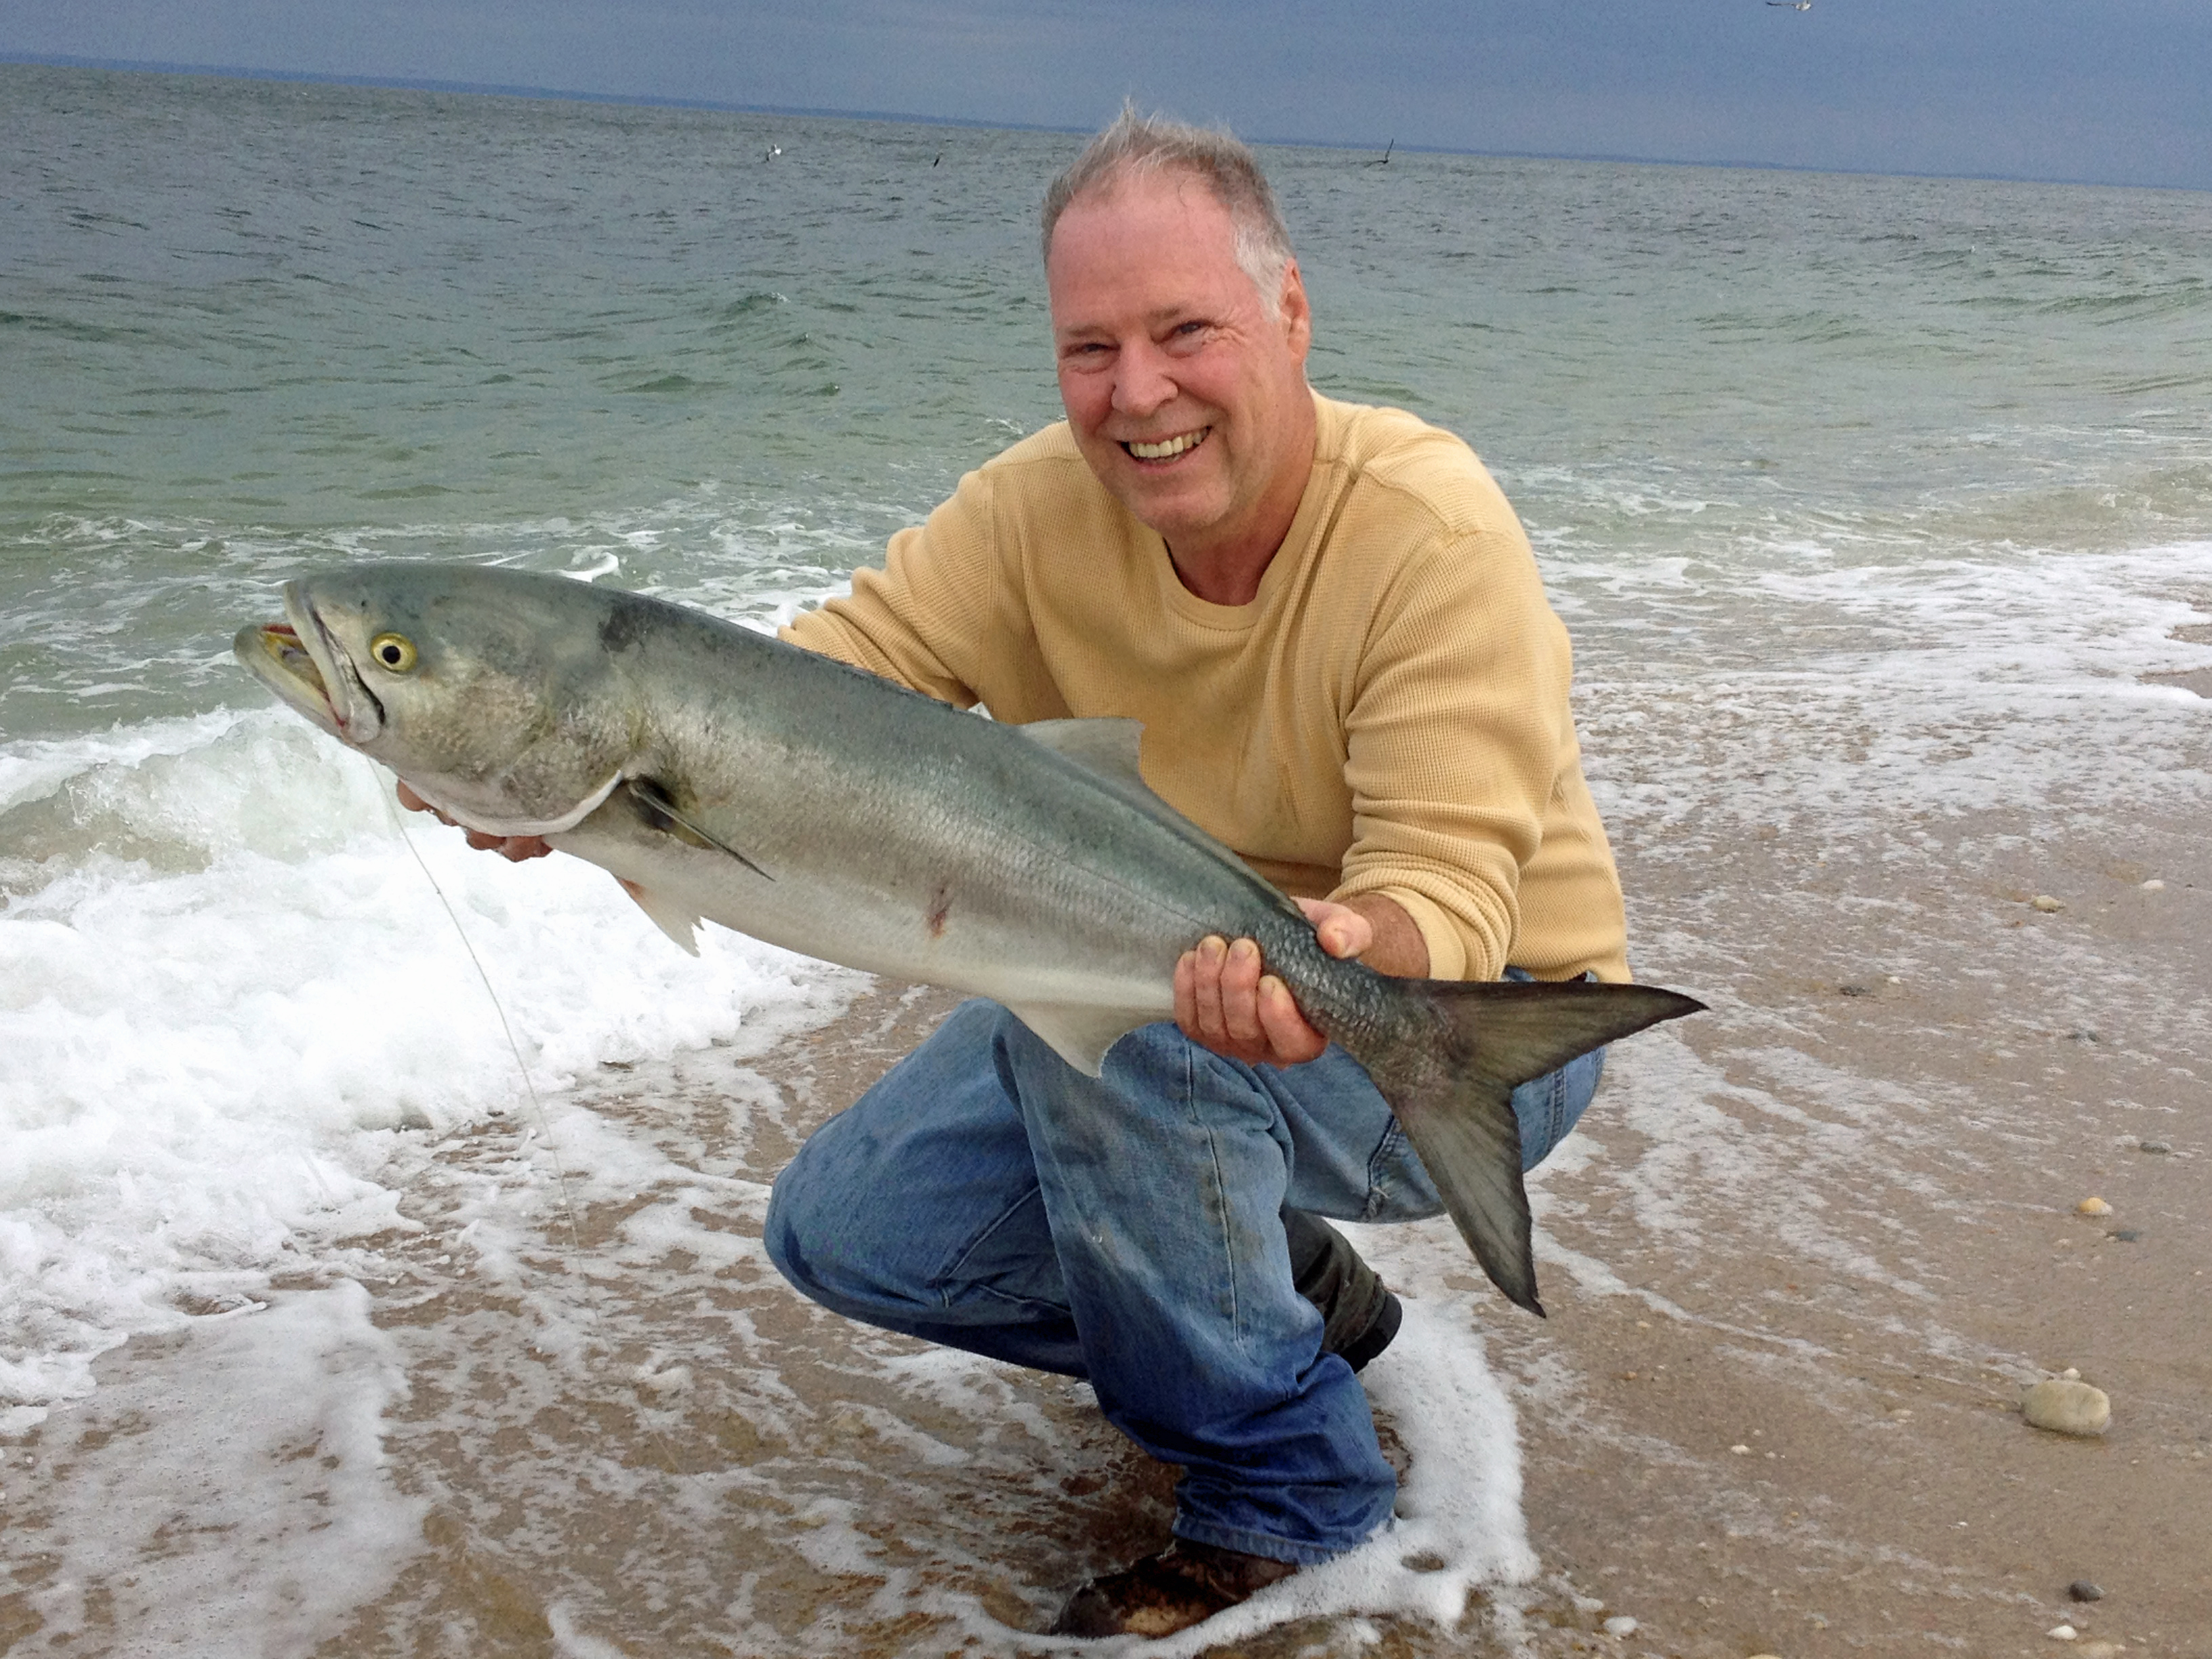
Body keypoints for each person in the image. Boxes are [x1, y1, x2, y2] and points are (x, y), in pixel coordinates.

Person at [410, 108, 1630, 1639]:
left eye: (1185, 331)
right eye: (1089, 349)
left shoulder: (1426, 530)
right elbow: (812, 694)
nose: (1138, 395)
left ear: (1291, 313)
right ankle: (1287, 1306)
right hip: (1171, 965)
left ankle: (1291, 1490)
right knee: (850, 1230)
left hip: (1459, 1032)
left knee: (1118, 1047)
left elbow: (1451, 879)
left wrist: (1343, 951)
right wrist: (550, 764)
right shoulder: (1030, 510)